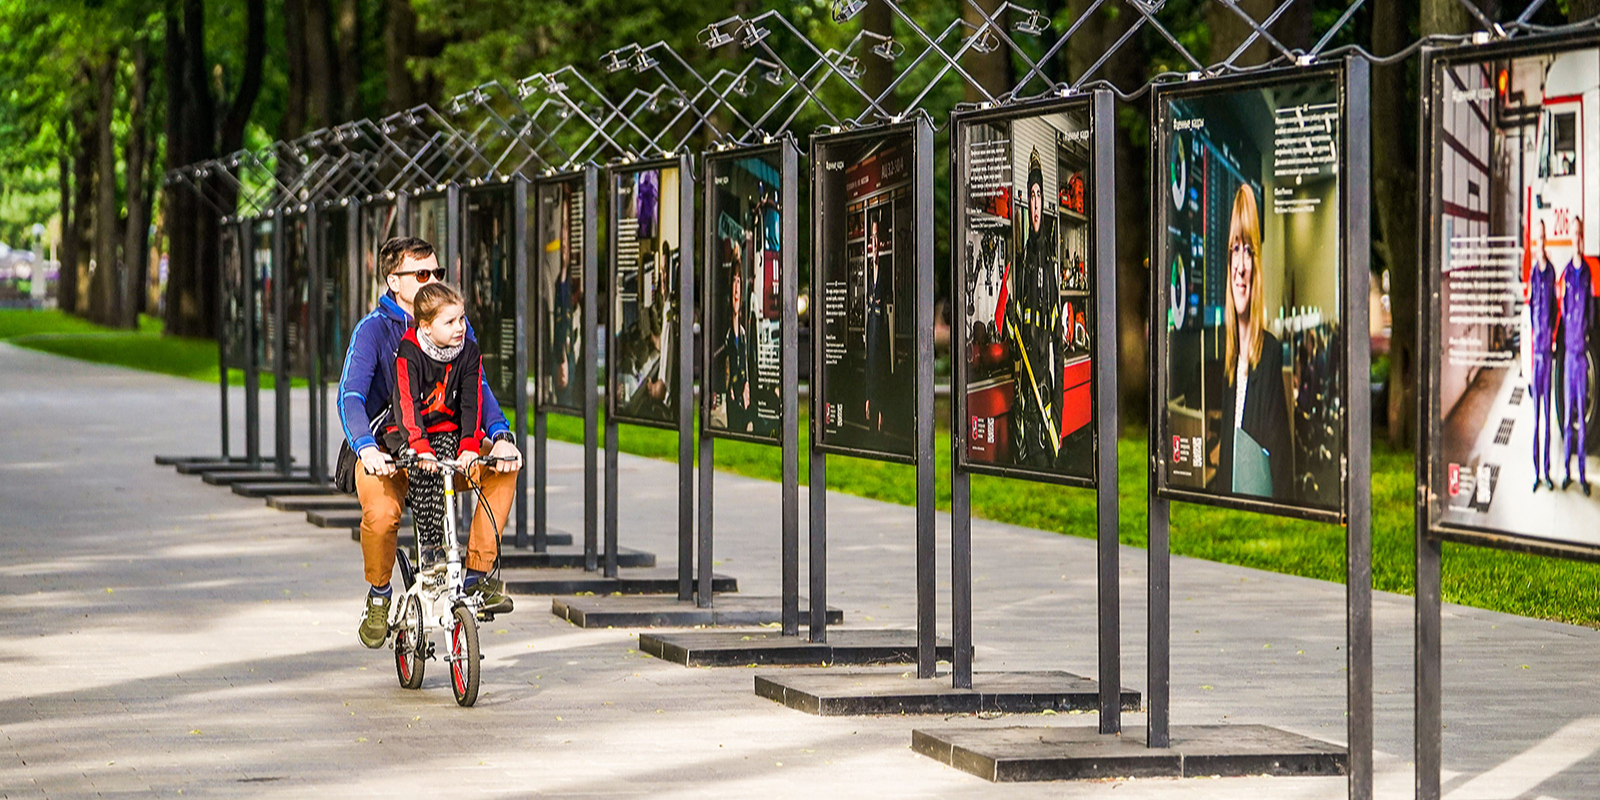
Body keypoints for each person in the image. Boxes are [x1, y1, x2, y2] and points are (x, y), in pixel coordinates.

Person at [340, 237, 522, 650]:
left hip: (451, 445)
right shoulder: (373, 331)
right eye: (421, 274)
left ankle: (476, 575)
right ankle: (381, 594)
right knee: (383, 516)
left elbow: (480, 391)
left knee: (504, 471)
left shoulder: (455, 327)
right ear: (394, 281)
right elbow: (350, 396)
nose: (432, 281)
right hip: (386, 451)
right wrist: (366, 448)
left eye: (437, 273)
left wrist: (500, 437)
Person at [387, 282, 489, 572]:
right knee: (424, 470)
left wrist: (469, 444)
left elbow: (472, 403)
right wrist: (419, 447)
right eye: (450, 322)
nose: (460, 327)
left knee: (445, 462)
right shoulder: (410, 350)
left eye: (461, 318)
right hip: (410, 431)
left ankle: (448, 541)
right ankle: (429, 545)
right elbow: (406, 403)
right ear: (427, 327)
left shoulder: (468, 352)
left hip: (447, 430)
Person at [1215, 184, 1291, 501]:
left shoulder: (1270, 352)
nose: (1241, 266)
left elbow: (1280, 463)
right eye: (1235, 249)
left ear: (1256, 266)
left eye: (1249, 251)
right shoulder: (1227, 353)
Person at [1010, 147, 1063, 468]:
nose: (1035, 204)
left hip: (1045, 394)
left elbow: (1060, 348)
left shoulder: (1048, 263)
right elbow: (1015, 322)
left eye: (1039, 195)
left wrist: (1056, 413)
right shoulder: (1023, 260)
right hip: (1024, 392)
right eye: (1030, 195)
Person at [1560, 216, 1591, 494]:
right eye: (1574, 234)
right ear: (1570, 239)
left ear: (1583, 237)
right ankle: (1566, 473)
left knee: (1582, 418)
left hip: (1581, 358)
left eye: (1580, 234)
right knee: (1568, 420)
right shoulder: (1566, 274)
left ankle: (1582, 476)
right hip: (1569, 356)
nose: (1577, 239)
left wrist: (1585, 335)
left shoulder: (1588, 273)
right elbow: (1563, 311)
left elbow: (1589, 309)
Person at [1530, 220, 1558, 492]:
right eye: (1537, 238)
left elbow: (1555, 308)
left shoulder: (1550, 273)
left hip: (1547, 356)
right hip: (1535, 354)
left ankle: (1547, 472)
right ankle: (1536, 472)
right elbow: (1530, 311)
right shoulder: (1533, 274)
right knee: (1536, 416)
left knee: (1548, 417)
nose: (1541, 242)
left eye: (1543, 237)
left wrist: (1551, 336)